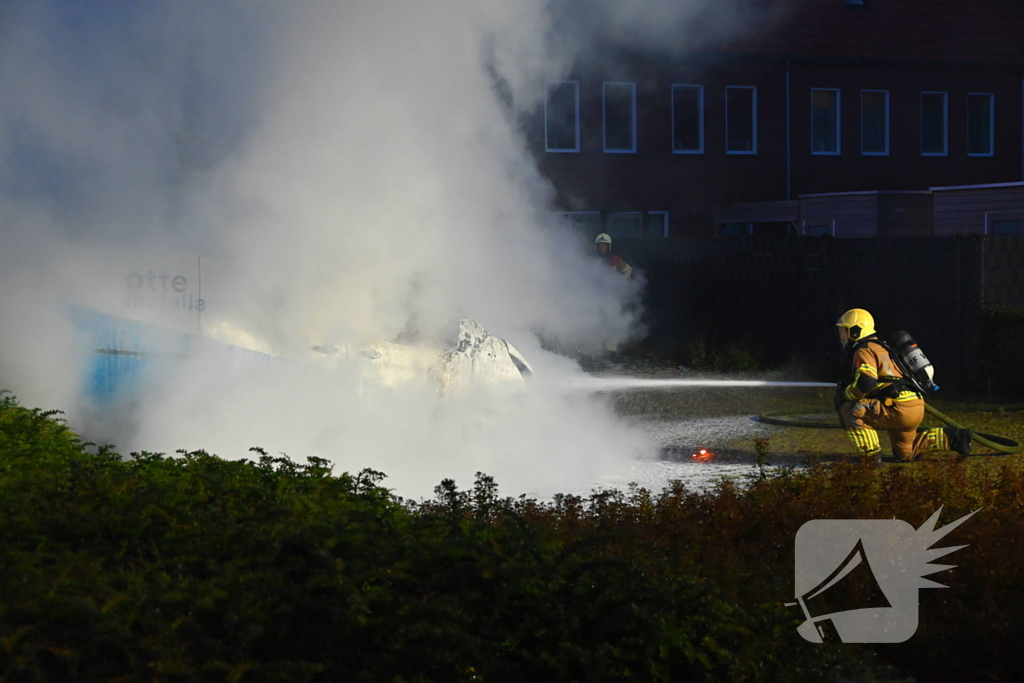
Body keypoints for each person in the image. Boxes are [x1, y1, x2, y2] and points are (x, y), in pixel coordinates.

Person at [833, 308, 972, 463]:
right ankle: (955, 438)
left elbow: (867, 381)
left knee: (850, 410)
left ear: (856, 331)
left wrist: (845, 394)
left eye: (844, 330)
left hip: (897, 407)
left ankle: (870, 457)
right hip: (914, 406)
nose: (842, 335)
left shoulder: (864, 350)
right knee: (907, 453)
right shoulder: (883, 347)